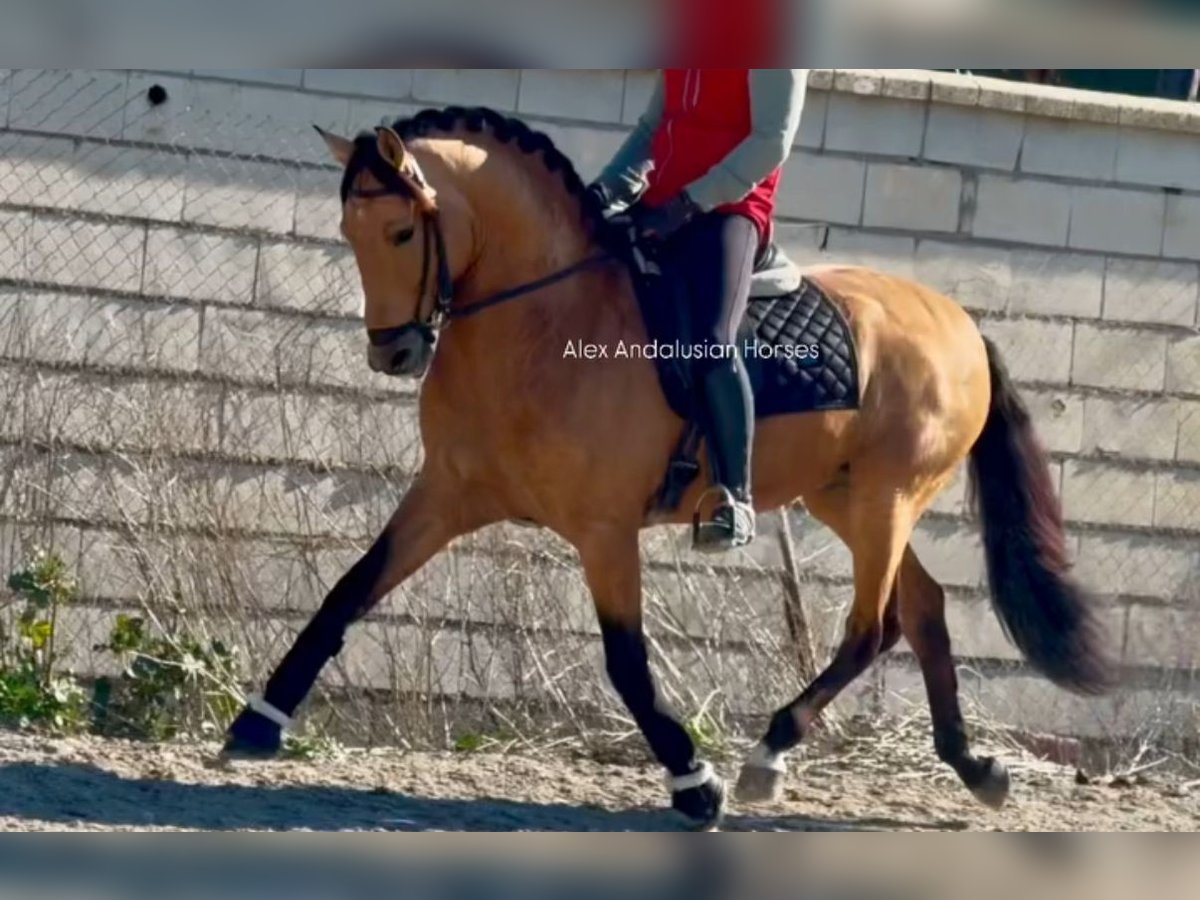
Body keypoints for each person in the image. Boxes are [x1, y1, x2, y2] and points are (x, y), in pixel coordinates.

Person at [587, 69, 807, 552]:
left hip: (729, 212)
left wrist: (689, 203)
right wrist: (603, 192)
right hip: (660, 202)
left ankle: (734, 497)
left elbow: (771, 142)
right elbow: (652, 128)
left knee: (712, 341)